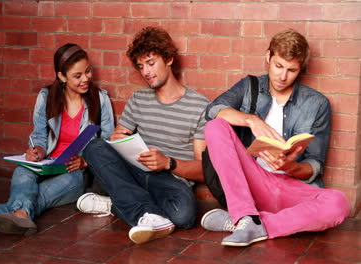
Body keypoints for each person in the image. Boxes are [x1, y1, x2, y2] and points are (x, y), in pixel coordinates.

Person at [200, 29, 350, 247]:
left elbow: (314, 165)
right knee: (215, 126)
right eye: (278, 66)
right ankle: (247, 215)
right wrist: (251, 120)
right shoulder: (249, 87)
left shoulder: (317, 103)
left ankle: (247, 223)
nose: (282, 76)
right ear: (268, 57)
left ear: (300, 70)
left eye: (291, 70)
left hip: (291, 188)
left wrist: (289, 167)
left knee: (338, 203)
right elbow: (213, 109)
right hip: (254, 182)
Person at [76, 27, 210, 244]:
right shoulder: (138, 99)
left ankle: (117, 205)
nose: (146, 72)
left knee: (184, 216)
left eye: (151, 63)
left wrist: (168, 163)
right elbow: (117, 140)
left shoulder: (200, 106)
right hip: (135, 173)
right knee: (94, 147)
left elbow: (204, 170)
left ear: (168, 59)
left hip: (170, 182)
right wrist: (117, 140)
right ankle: (147, 212)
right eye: (141, 67)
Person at [0, 44, 115, 236]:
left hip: (74, 172)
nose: (86, 78)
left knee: (45, 193)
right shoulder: (46, 97)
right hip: (45, 164)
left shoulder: (100, 99)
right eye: (77, 75)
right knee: (22, 171)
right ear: (62, 76)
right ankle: (21, 215)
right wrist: (37, 150)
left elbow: (108, 141)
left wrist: (86, 161)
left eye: (88, 71)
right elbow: (39, 135)